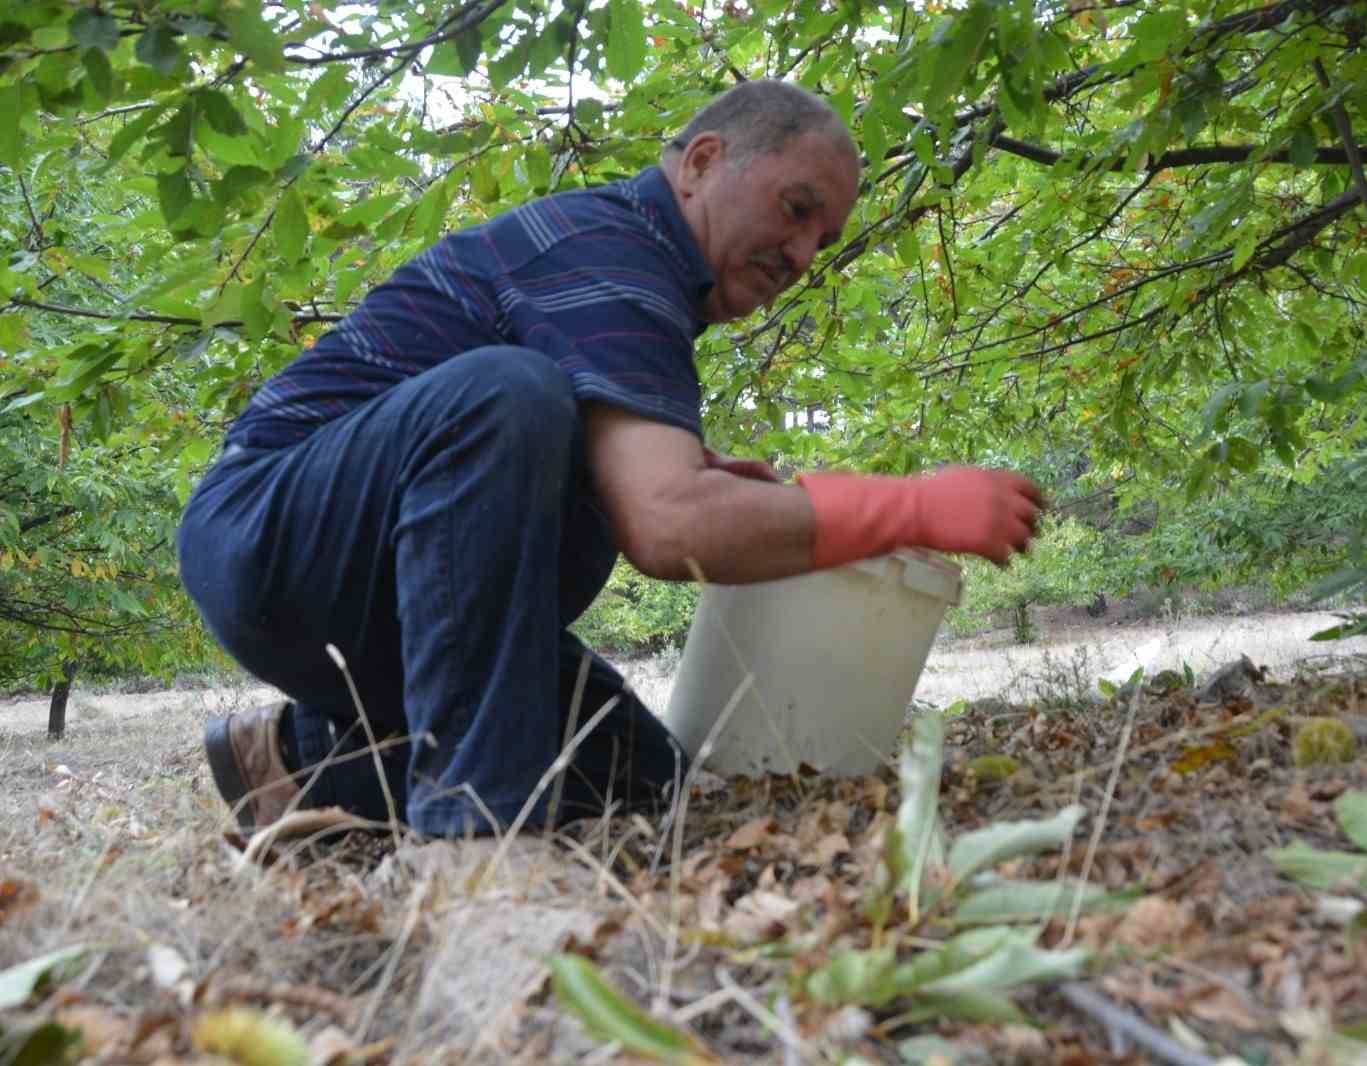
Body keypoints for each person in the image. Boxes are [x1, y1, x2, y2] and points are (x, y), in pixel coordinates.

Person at [178, 79, 1042, 838]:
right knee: (504, 394)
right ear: (701, 161)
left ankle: (301, 760)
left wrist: (695, 472)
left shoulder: (638, 286)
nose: (807, 255)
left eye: (826, 234)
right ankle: (474, 842)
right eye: (796, 207)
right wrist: (915, 508)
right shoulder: (612, 250)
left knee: (639, 782)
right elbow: (669, 525)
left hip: (389, 600)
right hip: (270, 535)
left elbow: (656, 493)